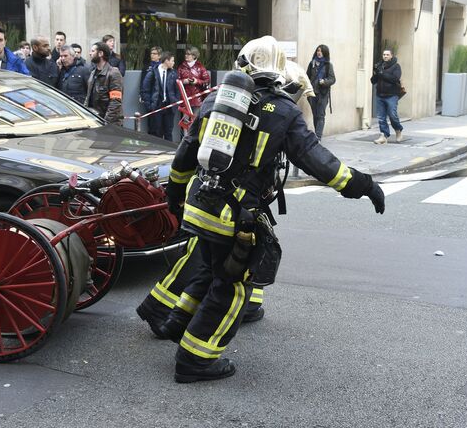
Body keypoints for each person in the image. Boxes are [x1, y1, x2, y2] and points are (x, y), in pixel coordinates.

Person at [156, 36, 385, 383]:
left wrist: (174, 197)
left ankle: (176, 324)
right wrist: (365, 185)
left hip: (198, 204)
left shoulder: (217, 99)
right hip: (232, 216)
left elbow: (186, 153)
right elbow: (320, 162)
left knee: (208, 270)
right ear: (280, 71)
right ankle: (195, 360)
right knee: (232, 286)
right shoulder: (283, 110)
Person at [135, 59, 315, 338]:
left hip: (215, 195)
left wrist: (177, 192)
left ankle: (242, 307)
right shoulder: (268, 107)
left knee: (226, 254)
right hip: (225, 200)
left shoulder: (224, 100)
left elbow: (187, 150)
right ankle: (160, 309)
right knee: (208, 262)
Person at [140, 51, 179, 141]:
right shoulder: (153, 72)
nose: (173, 63)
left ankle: (170, 152)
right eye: (172, 61)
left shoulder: (173, 73)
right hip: (157, 105)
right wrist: (149, 105)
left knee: (168, 131)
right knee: (157, 131)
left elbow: (177, 89)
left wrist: (176, 101)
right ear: (166, 61)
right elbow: (145, 89)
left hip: (169, 105)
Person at [85, 41, 123, 125]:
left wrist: (105, 122)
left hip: (109, 124)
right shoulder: (92, 73)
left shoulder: (113, 73)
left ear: (100, 53)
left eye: (93, 51)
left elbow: (115, 101)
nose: (90, 53)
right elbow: (88, 98)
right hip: (95, 121)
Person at [370, 49, 404, 144]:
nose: (385, 56)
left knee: (393, 115)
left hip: (391, 95)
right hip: (380, 95)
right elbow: (373, 81)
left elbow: (394, 79)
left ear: (391, 56)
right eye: (384, 54)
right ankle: (383, 136)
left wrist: (382, 73)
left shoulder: (396, 66)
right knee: (381, 117)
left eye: (387, 54)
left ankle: (398, 130)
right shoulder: (380, 66)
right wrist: (376, 73)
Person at [177, 46, 211, 138]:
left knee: (195, 120)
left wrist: (197, 81)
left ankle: (193, 139)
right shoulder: (181, 67)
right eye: (186, 54)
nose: (186, 56)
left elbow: (207, 81)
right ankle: (185, 139)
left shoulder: (200, 68)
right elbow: (177, 80)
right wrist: (184, 81)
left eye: (189, 54)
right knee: (185, 121)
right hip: (185, 98)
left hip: (197, 99)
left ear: (194, 56)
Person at [306, 44, 336, 139]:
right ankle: (316, 134)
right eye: (318, 51)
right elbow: (307, 77)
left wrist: (324, 82)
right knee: (315, 115)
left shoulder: (328, 65)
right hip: (312, 93)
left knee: (321, 115)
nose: (319, 53)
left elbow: (332, 79)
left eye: (321, 51)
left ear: (325, 53)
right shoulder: (312, 64)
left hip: (323, 94)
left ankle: (318, 137)